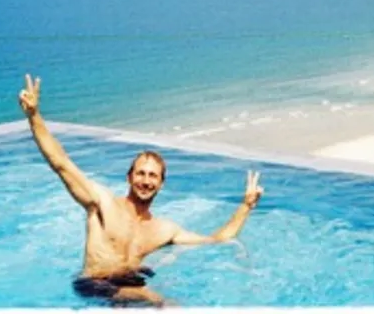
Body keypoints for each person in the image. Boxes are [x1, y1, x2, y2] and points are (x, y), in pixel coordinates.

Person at [18, 73, 264, 307]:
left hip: (129, 284)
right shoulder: (102, 203)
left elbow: (216, 240)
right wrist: (34, 116)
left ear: (161, 184)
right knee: (165, 305)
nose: (146, 181)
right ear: (129, 177)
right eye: (141, 173)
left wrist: (246, 206)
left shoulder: (164, 229)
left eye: (152, 175)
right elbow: (61, 163)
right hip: (93, 284)